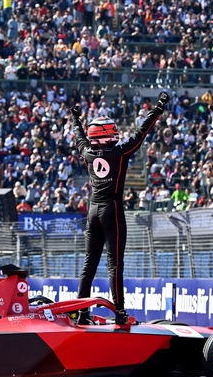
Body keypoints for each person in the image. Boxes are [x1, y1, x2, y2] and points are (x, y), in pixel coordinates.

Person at [71, 92, 169, 325]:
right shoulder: (119, 153)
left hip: (92, 210)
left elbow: (79, 137)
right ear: (107, 135)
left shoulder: (87, 153)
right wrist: (157, 109)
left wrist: (75, 119)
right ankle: (119, 311)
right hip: (112, 209)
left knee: (89, 264)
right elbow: (140, 133)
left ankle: (81, 310)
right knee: (115, 264)